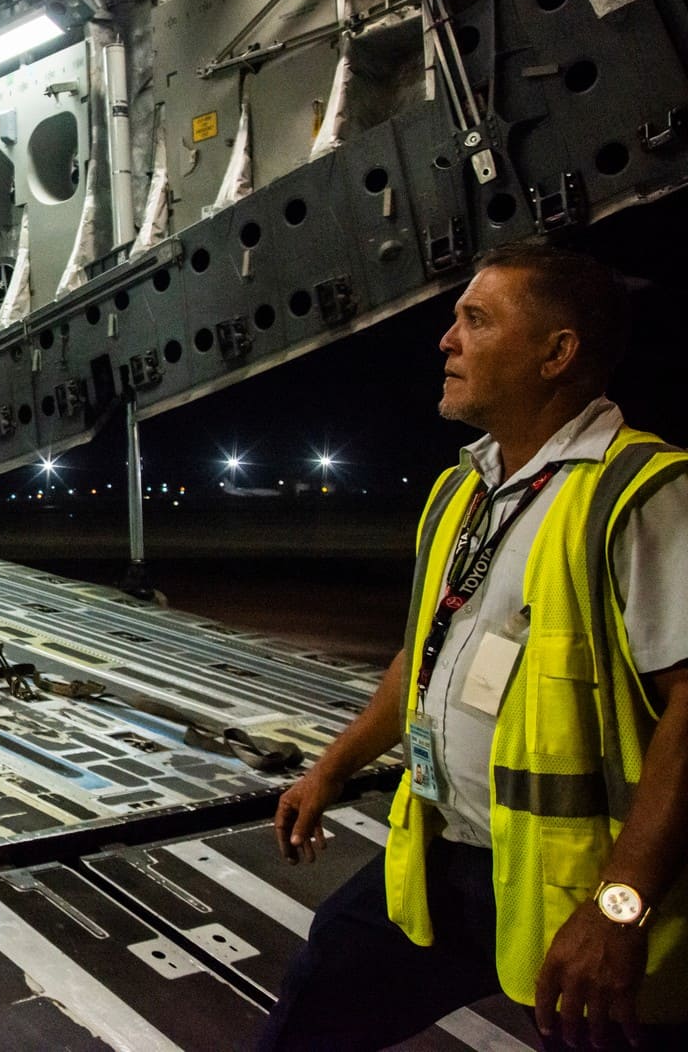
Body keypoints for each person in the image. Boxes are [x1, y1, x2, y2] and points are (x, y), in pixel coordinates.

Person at [261, 243, 688, 1051]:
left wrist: (619, 908)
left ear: (557, 353)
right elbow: (420, 656)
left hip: (571, 885)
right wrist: (331, 768)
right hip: (449, 857)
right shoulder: (463, 488)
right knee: (320, 996)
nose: (446, 340)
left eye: (476, 320)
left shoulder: (641, 492)